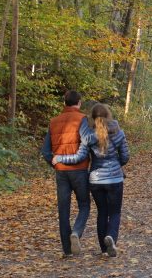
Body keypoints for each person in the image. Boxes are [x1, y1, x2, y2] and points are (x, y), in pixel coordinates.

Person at [53, 103, 130, 257]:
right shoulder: (119, 133)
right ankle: (111, 238)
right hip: (115, 180)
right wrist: (116, 165)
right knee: (114, 212)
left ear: (92, 119)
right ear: (109, 116)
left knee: (102, 212)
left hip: (95, 180)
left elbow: (79, 157)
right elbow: (125, 157)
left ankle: (103, 248)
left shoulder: (88, 138)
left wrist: (60, 158)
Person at [41, 90, 92, 257]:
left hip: (61, 172)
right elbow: (86, 145)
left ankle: (67, 249)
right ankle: (76, 232)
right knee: (84, 204)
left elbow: (45, 151)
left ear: (64, 102)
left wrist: (55, 163)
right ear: (79, 103)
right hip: (79, 170)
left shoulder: (53, 121)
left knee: (63, 209)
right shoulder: (82, 119)